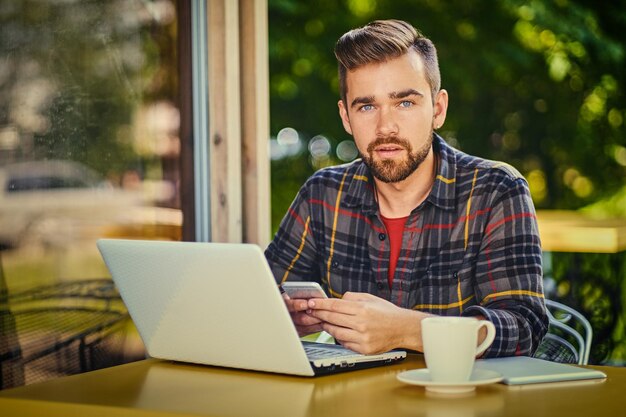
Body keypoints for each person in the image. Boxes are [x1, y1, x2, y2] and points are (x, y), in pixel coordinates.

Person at [265, 19, 548, 357]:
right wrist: (282, 317)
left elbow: (523, 326)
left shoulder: (496, 190)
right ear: (346, 117)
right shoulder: (323, 194)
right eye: (367, 106)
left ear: (438, 109)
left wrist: (408, 329)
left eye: (405, 103)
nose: (386, 126)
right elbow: (261, 297)